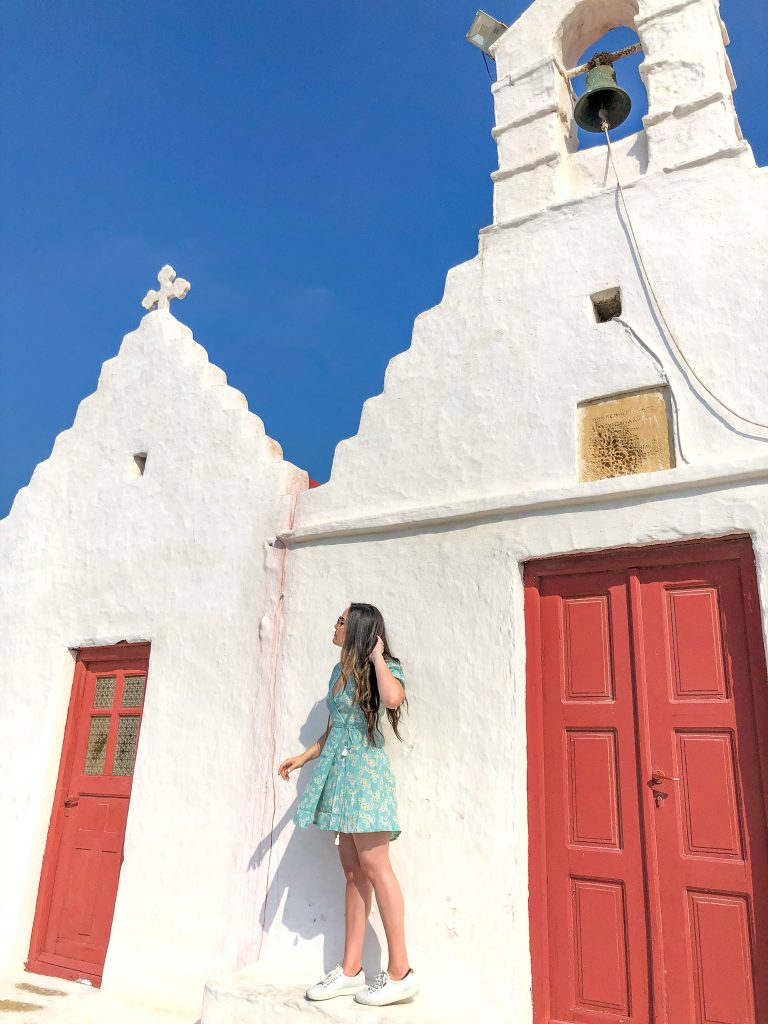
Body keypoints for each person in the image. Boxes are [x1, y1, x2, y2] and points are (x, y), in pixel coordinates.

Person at [278, 602, 417, 1007]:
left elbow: (392, 699)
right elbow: (335, 727)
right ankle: (351, 969)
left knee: (377, 867)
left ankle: (401, 972)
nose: (335, 625)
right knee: (354, 872)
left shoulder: (383, 667)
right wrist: (304, 757)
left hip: (366, 778)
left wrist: (376, 656)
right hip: (340, 778)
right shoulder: (339, 673)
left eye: (341, 621)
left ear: (357, 628)